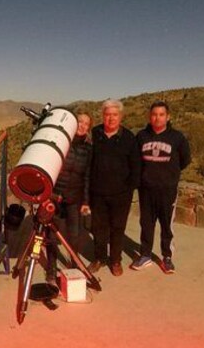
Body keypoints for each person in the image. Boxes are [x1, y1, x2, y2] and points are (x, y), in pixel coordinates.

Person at [131, 101, 191, 274]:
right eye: (154, 114)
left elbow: (185, 160)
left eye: (161, 114)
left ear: (168, 116)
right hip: (146, 190)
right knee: (146, 224)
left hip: (167, 190)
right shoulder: (141, 136)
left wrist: (169, 175)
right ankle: (145, 255)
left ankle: (167, 257)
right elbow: (136, 160)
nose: (157, 118)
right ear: (150, 117)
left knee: (167, 225)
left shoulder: (177, 138)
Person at [87, 99, 141, 277]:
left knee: (118, 228)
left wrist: (129, 190)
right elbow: (88, 162)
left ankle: (115, 260)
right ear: (103, 116)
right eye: (107, 114)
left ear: (121, 116)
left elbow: (136, 167)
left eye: (114, 115)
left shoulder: (129, 138)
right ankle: (100, 258)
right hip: (98, 194)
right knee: (98, 228)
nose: (111, 118)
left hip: (121, 195)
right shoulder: (94, 134)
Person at [47, 112, 92, 279]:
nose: (82, 125)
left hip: (75, 196)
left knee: (74, 234)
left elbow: (87, 176)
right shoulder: (61, 142)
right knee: (52, 233)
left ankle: (74, 264)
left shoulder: (89, 149)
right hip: (55, 194)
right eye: (79, 121)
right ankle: (51, 268)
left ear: (88, 128)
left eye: (86, 123)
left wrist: (86, 201)